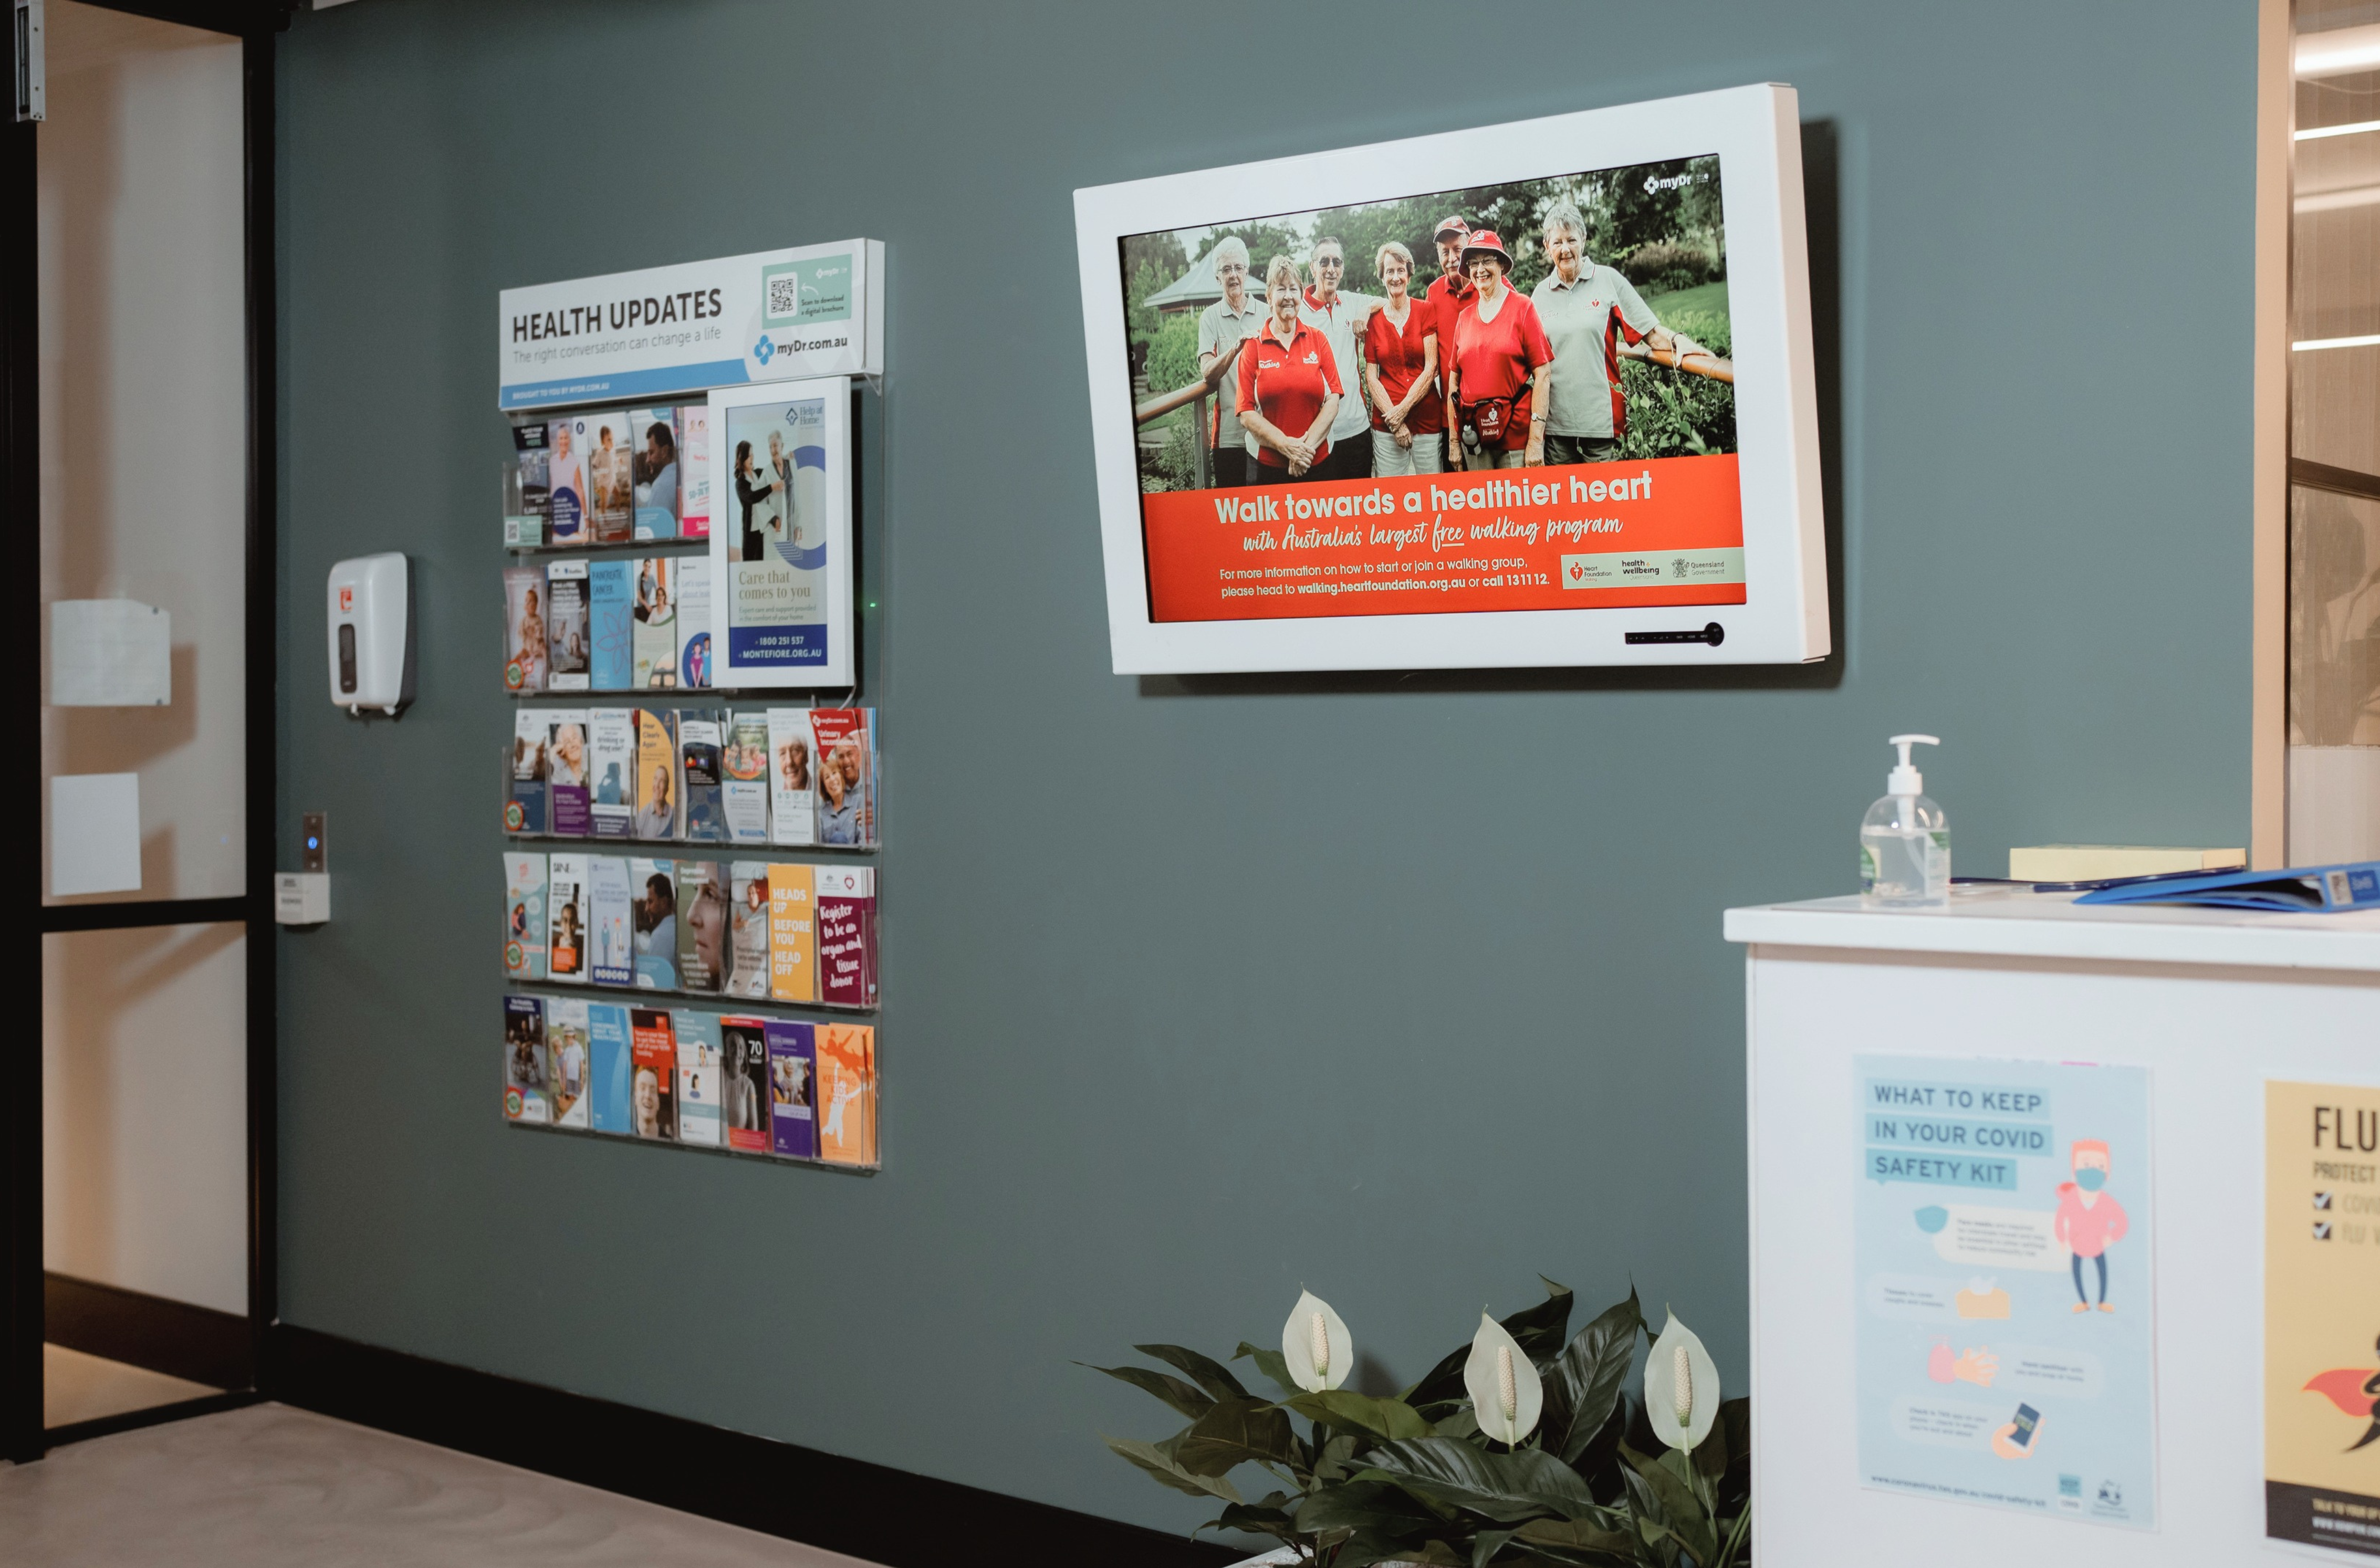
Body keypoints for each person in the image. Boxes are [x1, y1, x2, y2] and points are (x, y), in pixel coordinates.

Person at [1530, 202, 1688, 465]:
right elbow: (1530, 359)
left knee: (1609, 503)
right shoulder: (1539, 295)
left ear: (1584, 240)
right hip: (1557, 429)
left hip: (1602, 425)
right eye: (1557, 242)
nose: (1565, 249)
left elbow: (1651, 333)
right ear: (1547, 247)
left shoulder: (1608, 280)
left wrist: (1678, 341)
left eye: (1572, 240)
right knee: (1566, 506)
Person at [1445, 230, 1553, 469]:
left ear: (1502, 265)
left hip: (1516, 439)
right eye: (1473, 263)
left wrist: (1536, 440)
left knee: (1519, 504)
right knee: (1482, 505)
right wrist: (1454, 441)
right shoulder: (1464, 318)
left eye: (1487, 261)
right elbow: (1454, 383)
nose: (1479, 269)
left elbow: (1543, 374)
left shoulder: (1522, 307)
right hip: (1474, 439)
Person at [1236, 255, 1343, 481]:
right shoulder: (1253, 346)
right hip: (1267, 467)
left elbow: (1333, 398)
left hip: (1318, 461)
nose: (1288, 297)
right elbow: (1245, 413)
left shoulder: (1318, 339)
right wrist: (1287, 447)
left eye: (1294, 289)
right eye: (1281, 289)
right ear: (1269, 297)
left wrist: (1304, 451)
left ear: (1301, 295)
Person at [1297, 236, 1379, 481]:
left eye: (1337, 262)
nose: (1331, 269)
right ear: (1312, 267)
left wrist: (1366, 310)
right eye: (1324, 262)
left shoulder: (1352, 302)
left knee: (1359, 509)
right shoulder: (1299, 311)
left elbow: (1386, 302)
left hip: (1356, 429)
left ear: (1343, 268)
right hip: (1318, 434)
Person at [1361, 241, 1443, 477]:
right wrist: (1394, 422)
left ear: (1409, 274)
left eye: (1400, 270)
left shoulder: (1426, 311)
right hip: (1386, 425)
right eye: (1389, 271)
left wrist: (1402, 411)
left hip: (1427, 420)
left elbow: (1431, 367)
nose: (1395, 277)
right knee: (1391, 497)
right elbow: (1371, 377)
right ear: (1382, 276)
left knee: (1433, 492)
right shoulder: (1373, 321)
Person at [1194, 237, 1264, 488]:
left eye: (1238, 268)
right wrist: (1235, 349)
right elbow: (1208, 372)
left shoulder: (1267, 313)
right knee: (1231, 509)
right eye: (1226, 269)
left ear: (1247, 271)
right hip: (1229, 437)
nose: (1233, 275)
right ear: (1217, 277)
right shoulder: (1210, 317)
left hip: (1266, 433)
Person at [1422, 216, 1477, 469]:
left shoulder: (1488, 282)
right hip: (1451, 418)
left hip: (1491, 412)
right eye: (1445, 252)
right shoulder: (1433, 293)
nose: (1452, 258)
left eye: (1458, 250)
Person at [2053, 1139, 2129, 1314]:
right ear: (2074, 1172)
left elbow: (2121, 1220)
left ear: (2107, 1173)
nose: (2093, 1170)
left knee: (2102, 1274)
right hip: (2077, 1246)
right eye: (2086, 1164)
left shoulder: (2106, 1201)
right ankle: (2083, 1301)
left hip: (2098, 1246)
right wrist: (2062, 1239)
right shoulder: (2071, 1200)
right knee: (2077, 1274)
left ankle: (2102, 1301)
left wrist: (2112, 1236)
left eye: (2100, 1166)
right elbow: (2060, 1219)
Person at [733, 439, 781, 563]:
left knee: (762, 565)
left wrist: (788, 457)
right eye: (748, 456)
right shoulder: (740, 483)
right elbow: (752, 497)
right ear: (742, 458)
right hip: (751, 533)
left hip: (763, 529)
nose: (751, 458)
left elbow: (773, 468)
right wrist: (771, 487)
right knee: (750, 567)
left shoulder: (759, 474)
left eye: (752, 454)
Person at [818, 750, 862, 845]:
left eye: (834, 773)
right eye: (827, 777)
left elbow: (863, 841)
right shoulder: (821, 814)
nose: (832, 779)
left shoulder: (857, 802)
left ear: (841, 777)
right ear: (825, 787)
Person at [636, 420, 678, 519]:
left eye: (651, 453)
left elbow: (655, 529)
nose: (647, 460)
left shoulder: (661, 486)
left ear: (664, 451)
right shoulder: (679, 476)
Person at [633, 764, 675, 840]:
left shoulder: (673, 817)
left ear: (667, 789)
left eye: (662, 781)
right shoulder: (642, 816)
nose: (657, 785)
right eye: (656, 779)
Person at [631, 1066, 663, 1138]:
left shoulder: (669, 1145)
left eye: (653, 1091)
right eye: (643, 1088)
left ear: (658, 1102)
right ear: (635, 1098)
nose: (648, 1096)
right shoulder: (625, 1140)